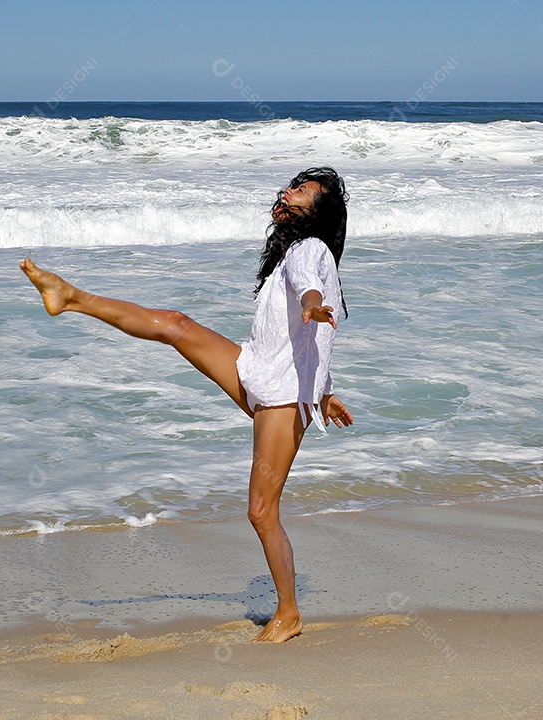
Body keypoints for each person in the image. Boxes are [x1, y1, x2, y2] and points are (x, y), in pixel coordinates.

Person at [20, 167, 354, 643]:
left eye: (300, 191)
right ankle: (70, 297)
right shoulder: (291, 254)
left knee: (261, 511)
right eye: (290, 186)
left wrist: (311, 303)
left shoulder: (309, 250)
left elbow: (310, 289)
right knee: (176, 325)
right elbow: (309, 342)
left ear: (315, 212)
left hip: (280, 399)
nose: (287, 193)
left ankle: (289, 612)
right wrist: (326, 390)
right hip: (259, 372)